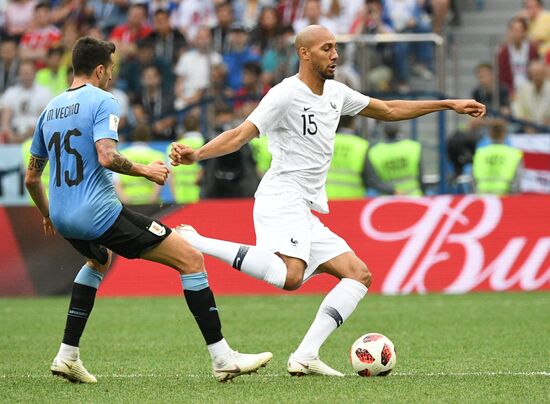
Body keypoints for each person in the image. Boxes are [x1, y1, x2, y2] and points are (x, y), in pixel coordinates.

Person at [170, 25, 485, 376]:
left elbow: (390, 109)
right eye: (326, 49)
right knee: (291, 277)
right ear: (304, 53)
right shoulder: (285, 94)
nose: (335, 55)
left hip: (304, 207)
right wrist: (197, 154)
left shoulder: (336, 93)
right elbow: (240, 134)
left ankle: (305, 355)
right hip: (281, 195)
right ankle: (196, 240)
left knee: (357, 275)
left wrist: (447, 104)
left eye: (335, 48)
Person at [24, 36, 272, 384]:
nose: (110, 77)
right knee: (190, 259)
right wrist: (146, 170)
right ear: (99, 69)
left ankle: (67, 355)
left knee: (98, 260)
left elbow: (32, 178)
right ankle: (222, 357)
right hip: (98, 214)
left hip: (64, 218)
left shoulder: (49, 110)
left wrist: (48, 214)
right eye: (109, 71)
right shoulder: (103, 100)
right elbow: (107, 156)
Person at [367, 122, 424, 196]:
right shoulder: (413, 147)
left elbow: (373, 181)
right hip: (413, 196)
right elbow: (421, 176)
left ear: (384, 133)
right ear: (399, 131)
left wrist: (392, 191)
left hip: (389, 200)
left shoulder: (374, 151)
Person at [472, 119, 523, 195]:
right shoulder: (514, 154)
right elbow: (517, 180)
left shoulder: (480, 153)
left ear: (489, 134)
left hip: (483, 196)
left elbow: (473, 179)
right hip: (505, 196)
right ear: (504, 134)